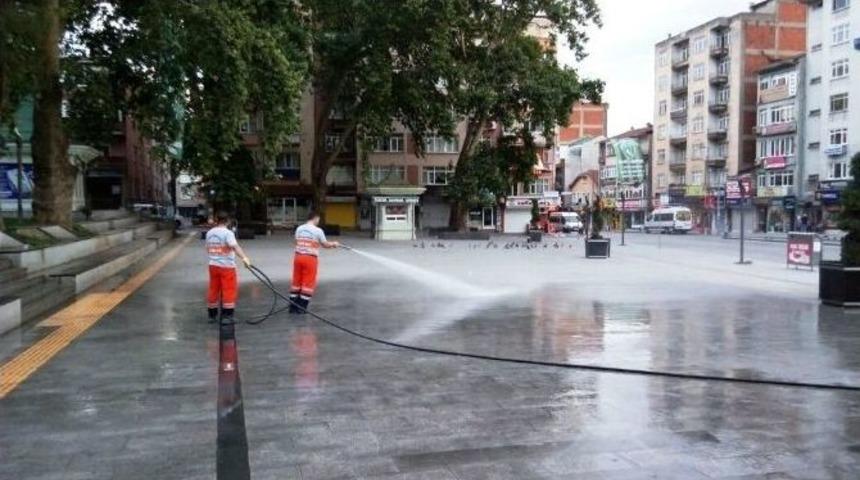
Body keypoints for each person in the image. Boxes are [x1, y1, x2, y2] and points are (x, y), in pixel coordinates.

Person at [205, 212, 251, 324]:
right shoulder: (228, 233)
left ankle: (212, 315)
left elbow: (207, 248)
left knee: (213, 289)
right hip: (226, 266)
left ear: (217, 220)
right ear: (228, 221)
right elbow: (235, 247)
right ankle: (227, 316)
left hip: (213, 265)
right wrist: (244, 258)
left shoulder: (210, 233)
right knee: (229, 289)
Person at [290, 211, 339, 314]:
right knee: (308, 283)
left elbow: (296, 241)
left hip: (298, 257)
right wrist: (334, 244)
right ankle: (301, 308)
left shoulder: (299, 228)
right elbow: (325, 244)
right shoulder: (318, 230)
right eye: (318, 220)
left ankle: (292, 307)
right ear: (315, 218)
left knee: (296, 282)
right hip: (310, 259)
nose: (318, 222)